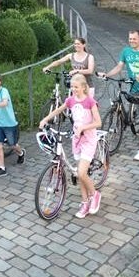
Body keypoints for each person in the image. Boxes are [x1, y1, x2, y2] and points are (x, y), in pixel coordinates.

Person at [39, 74, 102, 218]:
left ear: (84, 87)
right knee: (80, 174)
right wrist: (45, 119)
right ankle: (85, 202)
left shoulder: (90, 102)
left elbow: (98, 122)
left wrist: (84, 128)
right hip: (77, 140)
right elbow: (58, 110)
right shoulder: (71, 100)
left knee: (81, 172)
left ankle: (95, 194)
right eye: (72, 87)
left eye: (76, 87)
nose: (73, 89)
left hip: (88, 140)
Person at [99, 29, 139, 161]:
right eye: (130, 39)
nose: (132, 41)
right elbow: (119, 67)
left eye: (134, 38)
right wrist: (107, 74)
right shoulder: (126, 52)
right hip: (134, 88)